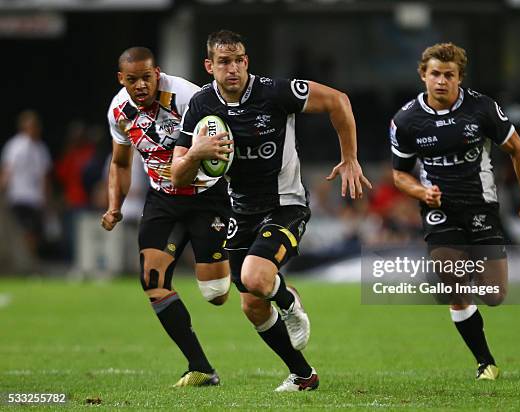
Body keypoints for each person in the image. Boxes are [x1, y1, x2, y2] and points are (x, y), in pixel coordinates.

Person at [172, 30, 371, 392]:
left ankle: (288, 300)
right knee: (252, 307)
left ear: (246, 61)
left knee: (257, 278)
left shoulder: (274, 92)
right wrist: (196, 153)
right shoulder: (200, 105)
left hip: (285, 204)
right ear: (209, 66)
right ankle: (303, 375)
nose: (232, 69)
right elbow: (176, 172)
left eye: (238, 60)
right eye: (223, 62)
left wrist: (350, 158)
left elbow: (338, 101)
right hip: (241, 212)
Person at [389, 43, 520, 380]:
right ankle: (485, 362)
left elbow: (517, 150)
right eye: (435, 74)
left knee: (495, 295)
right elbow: (399, 174)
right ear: (423, 75)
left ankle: (463, 276)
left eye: (449, 75)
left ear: (459, 78)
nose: (441, 81)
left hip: (480, 206)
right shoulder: (405, 120)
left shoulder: (482, 109)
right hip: (438, 208)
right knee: (450, 280)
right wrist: (421, 191)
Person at [102, 47, 231, 388]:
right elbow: (119, 163)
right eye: (132, 80)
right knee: (153, 281)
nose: (141, 85)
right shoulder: (119, 110)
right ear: (121, 80)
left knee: (216, 294)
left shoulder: (189, 97)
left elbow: (222, 144)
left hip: (207, 197)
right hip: (163, 199)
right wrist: (115, 205)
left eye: (146, 77)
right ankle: (200, 367)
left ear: (157, 72)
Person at [0, 110, 52, 263]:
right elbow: (7, 171)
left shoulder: (40, 148)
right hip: (18, 196)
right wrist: (2, 189)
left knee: (33, 233)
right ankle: (25, 262)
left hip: (34, 198)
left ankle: (29, 262)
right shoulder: (15, 146)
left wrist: (45, 199)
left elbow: (44, 177)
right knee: (23, 232)